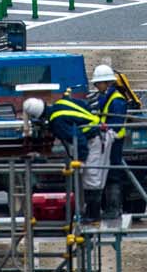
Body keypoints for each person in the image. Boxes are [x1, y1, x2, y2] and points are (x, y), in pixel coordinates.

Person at [47, 88, 107, 221]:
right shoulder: (60, 104)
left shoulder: (57, 121)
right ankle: (90, 213)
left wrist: (81, 159)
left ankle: (93, 215)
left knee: (91, 176)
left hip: (94, 138)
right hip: (96, 133)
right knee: (91, 177)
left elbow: (78, 138)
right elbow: (84, 106)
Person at [92, 64, 129, 222]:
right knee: (105, 173)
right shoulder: (105, 97)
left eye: (98, 83)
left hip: (113, 142)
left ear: (107, 83)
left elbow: (115, 124)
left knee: (113, 174)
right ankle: (108, 208)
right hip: (106, 140)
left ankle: (113, 209)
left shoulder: (117, 100)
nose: (96, 86)